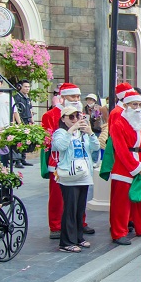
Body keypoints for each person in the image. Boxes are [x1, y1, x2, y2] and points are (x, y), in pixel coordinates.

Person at [109, 92, 141, 245]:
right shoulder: (118, 124)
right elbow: (121, 150)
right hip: (123, 167)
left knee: (140, 199)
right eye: (134, 105)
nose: (138, 108)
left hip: (140, 162)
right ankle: (119, 232)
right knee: (121, 202)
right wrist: (136, 167)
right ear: (126, 106)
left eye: (140, 105)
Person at [43, 83, 89, 239]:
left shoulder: (80, 114)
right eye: (72, 96)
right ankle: (56, 225)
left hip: (79, 160)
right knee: (57, 196)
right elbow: (49, 140)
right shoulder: (50, 115)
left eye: (78, 96)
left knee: (79, 195)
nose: (76, 99)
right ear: (62, 97)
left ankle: (80, 222)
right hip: (59, 161)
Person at [51, 105, 99, 252]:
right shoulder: (60, 133)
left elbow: (95, 147)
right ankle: (66, 242)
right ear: (63, 119)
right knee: (70, 209)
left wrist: (90, 133)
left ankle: (78, 237)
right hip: (69, 177)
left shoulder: (83, 133)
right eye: (71, 117)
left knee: (79, 209)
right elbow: (60, 146)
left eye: (77, 116)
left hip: (83, 174)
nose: (75, 119)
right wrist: (71, 130)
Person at [12, 80, 34, 167]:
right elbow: (15, 111)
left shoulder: (27, 97)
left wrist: (32, 120)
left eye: (28, 87)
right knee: (19, 141)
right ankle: (17, 161)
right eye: (25, 87)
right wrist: (17, 122)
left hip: (27, 120)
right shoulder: (16, 97)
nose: (27, 88)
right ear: (20, 87)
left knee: (25, 140)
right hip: (20, 121)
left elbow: (30, 109)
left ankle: (23, 159)